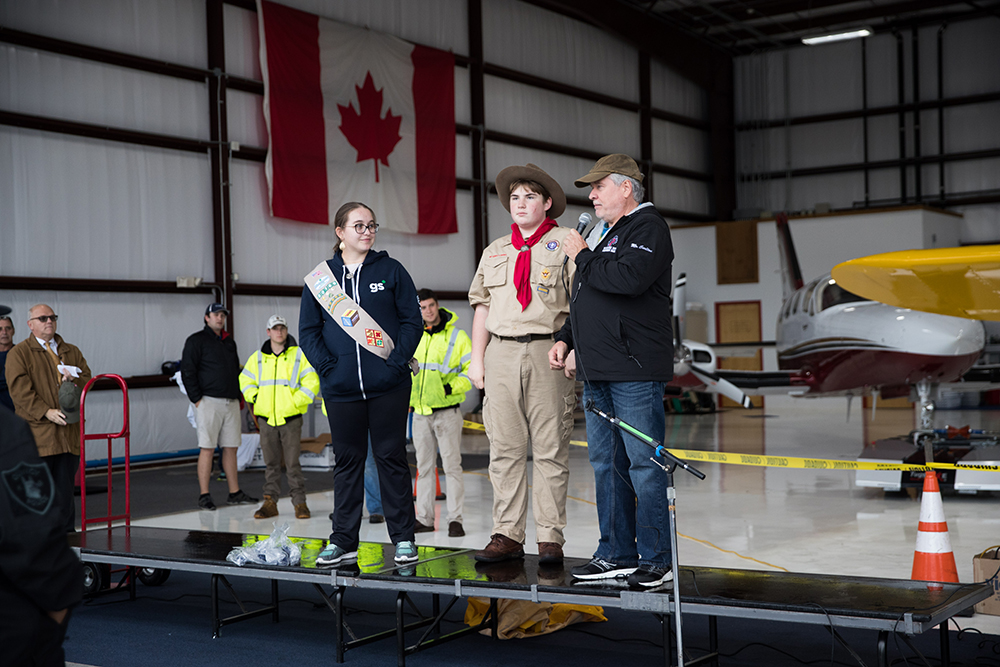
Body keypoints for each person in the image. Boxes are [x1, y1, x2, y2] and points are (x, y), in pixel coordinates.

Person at [548, 153, 676, 588]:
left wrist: (582, 253)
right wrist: (566, 337)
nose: (592, 195)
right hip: (598, 368)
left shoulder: (648, 228)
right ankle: (616, 552)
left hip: (634, 369)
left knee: (643, 464)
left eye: (599, 186)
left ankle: (657, 559)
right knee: (606, 463)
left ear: (626, 187)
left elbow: (627, 281)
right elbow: (588, 297)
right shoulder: (606, 233)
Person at [299, 202, 422, 567]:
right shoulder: (321, 281)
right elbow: (308, 332)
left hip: (389, 387)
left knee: (391, 459)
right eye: (358, 225)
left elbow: (411, 322)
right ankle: (343, 540)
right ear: (340, 232)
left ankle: (403, 538)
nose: (367, 231)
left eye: (371, 225)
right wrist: (328, 369)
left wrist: (396, 364)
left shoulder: (391, 270)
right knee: (348, 463)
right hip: (341, 390)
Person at [467, 163, 576, 564]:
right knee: (505, 450)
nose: (521, 203)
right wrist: (476, 360)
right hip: (500, 353)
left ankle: (550, 537)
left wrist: (574, 347)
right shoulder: (495, 251)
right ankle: (508, 534)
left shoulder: (567, 242)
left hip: (549, 350)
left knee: (550, 450)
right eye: (514, 197)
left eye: (530, 196)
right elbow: (482, 307)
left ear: (547, 204)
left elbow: (582, 304)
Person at [5, 303, 93, 533]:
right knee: (37, 495)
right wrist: (46, 411)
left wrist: (72, 384)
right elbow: (20, 391)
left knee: (64, 495)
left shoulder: (71, 350)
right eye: (42, 318)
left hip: (67, 435)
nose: (49, 322)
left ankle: (67, 544)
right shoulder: (19, 353)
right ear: (30, 325)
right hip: (38, 436)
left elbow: (86, 379)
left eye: (52, 317)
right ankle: (36, 545)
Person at [240, 314, 320, 520]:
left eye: (282, 328)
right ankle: (270, 502)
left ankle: (300, 503)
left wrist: (295, 403)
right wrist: (257, 397)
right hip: (267, 420)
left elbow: (311, 381)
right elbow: (245, 380)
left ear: (286, 330)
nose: (279, 332)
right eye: (275, 328)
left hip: (291, 418)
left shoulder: (299, 356)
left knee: (293, 464)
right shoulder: (257, 358)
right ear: (268, 332)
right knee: (271, 464)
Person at [181, 303, 258, 511]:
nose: (220, 318)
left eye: (222, 315)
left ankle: (234, 492)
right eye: (216, 314)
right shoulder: (196, 341)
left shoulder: (228, 342)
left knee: (231, 447)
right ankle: (204, 495)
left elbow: (235, 370)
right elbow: (187, 371)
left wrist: (239, 396)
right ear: (206, 317)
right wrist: (197, 399)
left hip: (231, 402)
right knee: (207, 448)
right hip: (208, 402)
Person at [410, 288, 472, 537]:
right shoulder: (413, 335)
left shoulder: (458, 336)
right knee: (423, 468)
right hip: (420, 413)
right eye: (423, 307)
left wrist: (450, 387)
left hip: (447, 412)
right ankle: (424, 519)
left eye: (431, 305)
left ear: (438, 305)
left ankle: (455, 520)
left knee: (452, 466)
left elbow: (471, 369)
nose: (428, 311)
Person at [0, 313, 15, 410]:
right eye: (0, 329)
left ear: (13, 331)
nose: (4, 332)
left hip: (14, 414)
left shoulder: (20, 354)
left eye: (8, 328)